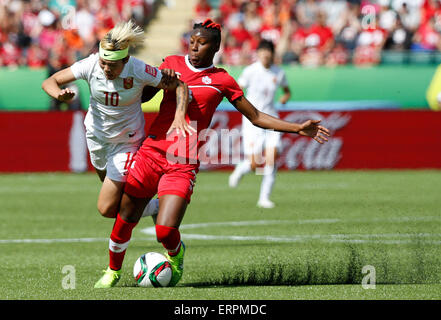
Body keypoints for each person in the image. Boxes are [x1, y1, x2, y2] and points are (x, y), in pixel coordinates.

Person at [94, 19, 330, 288]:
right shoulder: (171, 62)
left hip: (183, 160)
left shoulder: (222, 80)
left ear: (215, 46)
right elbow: (143, 95)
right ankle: (112, 271)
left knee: (165, 230)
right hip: (152, 150)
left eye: (201, 42)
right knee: (126, 216)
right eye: (192, 41)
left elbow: (255, 116)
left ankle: (176, 254)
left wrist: (297, 128)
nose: (194, 47)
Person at [42, 21, 193, 223]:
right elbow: (49, 81)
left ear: (126, 59)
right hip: (96, 138)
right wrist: (60, 95)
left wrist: (179, 115)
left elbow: (180, 85)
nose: (105, 68)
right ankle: (155, 207)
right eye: (103, 62)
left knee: (106, 208)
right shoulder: (91, 64)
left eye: (112, 65)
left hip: (126, 143)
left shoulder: (139, 70)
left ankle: (163, 204)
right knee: (117, 200)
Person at [228, 39, 291, 209]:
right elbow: (237, 90)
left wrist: (285, 97)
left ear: (272, 53)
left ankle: (264, 198)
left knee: (271, 158)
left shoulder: (278, 73)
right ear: (258, 53)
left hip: (271, 119)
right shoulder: (250, 71)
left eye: (268, 51)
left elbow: (286, 90)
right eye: (262, 51)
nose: (265, 54)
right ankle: (242, 168)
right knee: (255, 162)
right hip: (252, 120)